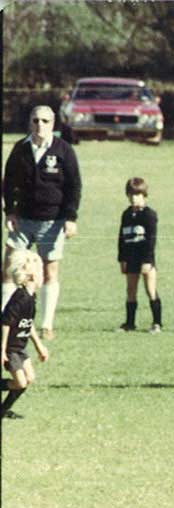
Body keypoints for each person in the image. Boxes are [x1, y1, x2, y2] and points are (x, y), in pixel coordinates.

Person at [2, 105, 82, 339]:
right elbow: (8, 182)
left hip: (52, 221)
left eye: (45, 121)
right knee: (9, 268)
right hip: (22, 220)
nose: (40, 125)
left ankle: (47, 325)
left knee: (49, 271)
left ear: (53, 123)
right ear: (30, 122)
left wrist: (70, 218)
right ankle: (5, 318)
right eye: (36, 120)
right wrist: (10, 212)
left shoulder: (63, 150)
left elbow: (74, 186)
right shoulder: (20, 148)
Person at [0, 249, 48, 419]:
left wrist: (39, 346)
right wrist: (2, 350)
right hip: (11, 348)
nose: (43, 276)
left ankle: (2, 411)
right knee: (19, 383)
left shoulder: (31, 296)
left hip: (20, 347)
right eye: (41, 272)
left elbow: (28, 324)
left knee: (29, 378)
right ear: (32, 276)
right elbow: (5, 323)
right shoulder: (20, 298)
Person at [117, 178, 162, 333]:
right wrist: (122, 259)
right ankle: (130, 323)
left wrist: (147, 260)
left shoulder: (149, 215)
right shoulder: (126, 214)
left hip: (145, 258)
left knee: (150, 289)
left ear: (144, 195)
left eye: (137, 195)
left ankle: (157, 323)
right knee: (131, 290)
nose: (133, 198)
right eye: (130, 195)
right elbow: (121, 238)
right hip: (130, 257)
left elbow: (151, 240)